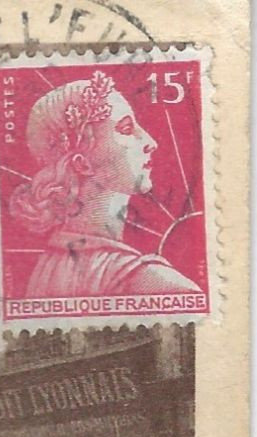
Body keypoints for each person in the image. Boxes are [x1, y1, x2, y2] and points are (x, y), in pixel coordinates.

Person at [11, 69, 201, 298]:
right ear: (82, 164)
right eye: (126, 129)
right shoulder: (153, 282)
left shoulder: (47, 268)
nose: (150, 142)